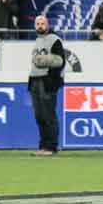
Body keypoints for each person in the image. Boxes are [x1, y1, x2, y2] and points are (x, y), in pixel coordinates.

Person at [27, 16, 70, 154]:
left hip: (47, 80)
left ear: (48, 25)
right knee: (39, 116)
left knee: (48, 115)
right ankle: (43, 146)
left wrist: (44, 59)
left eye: (43, 24)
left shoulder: (54, 39)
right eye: (38, 24)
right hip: (35, 80)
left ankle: (51, 146)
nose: (40, 26)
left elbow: (60, 61)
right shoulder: (37, 41)